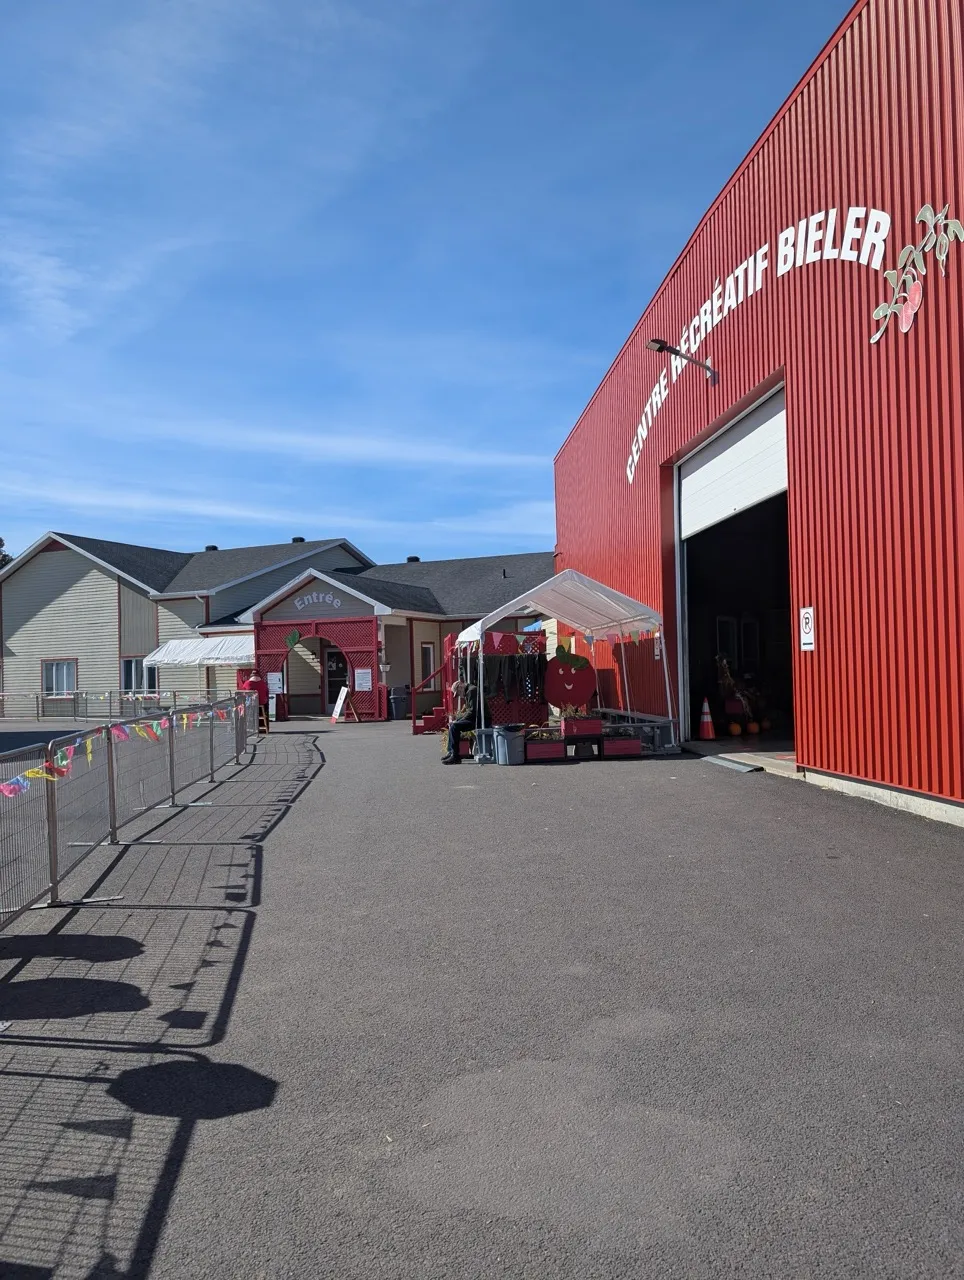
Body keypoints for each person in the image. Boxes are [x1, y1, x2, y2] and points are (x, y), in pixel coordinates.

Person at [442, 678, 480, 764]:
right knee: (453, 725)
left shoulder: (471, 691)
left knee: (454, 727)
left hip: (479, 719)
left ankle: (455, 756)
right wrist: (457, 720)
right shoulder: (469, 691)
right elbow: (469, 711)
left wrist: (458, 721)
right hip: (475, 718)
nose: (460, 696)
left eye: (458, 693)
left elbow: (472, 711)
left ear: (460, 687)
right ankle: (451, 752)